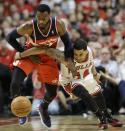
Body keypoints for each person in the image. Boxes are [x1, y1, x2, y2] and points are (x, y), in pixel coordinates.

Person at [14, 39, 123, 129]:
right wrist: (22, 54)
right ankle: (101, 118)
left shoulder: (89, 51)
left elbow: (91, 65)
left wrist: (94, 74)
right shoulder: (65, 58)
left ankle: (108, 116)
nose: (78, 56)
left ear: (86, 51)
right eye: (76, 54)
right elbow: (44, 50)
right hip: (69, 80)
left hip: (84, 76)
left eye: (81, 54)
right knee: (85, 94)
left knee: (98, 93)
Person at [6, 4, 75, 127]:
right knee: (15, 83)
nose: (41, 21)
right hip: (30, 55)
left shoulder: (58, 25)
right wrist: (22, 51)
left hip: (48, 57)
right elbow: (9, 37)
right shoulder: (28, 26)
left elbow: (68, 43)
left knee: (52, 93)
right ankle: (21, 112)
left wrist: (68, 58)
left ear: (49, 15)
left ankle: (43, 107)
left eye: (44, 18)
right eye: (39, 17)